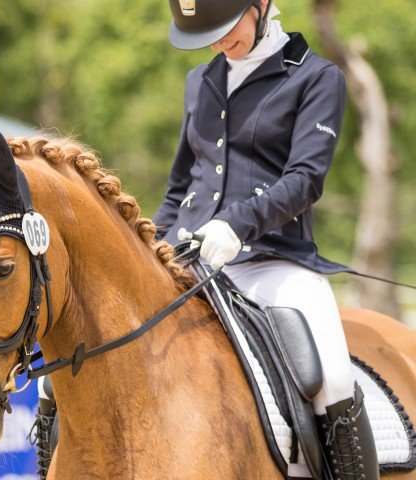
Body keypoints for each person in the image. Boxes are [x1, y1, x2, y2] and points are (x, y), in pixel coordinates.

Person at [153, 1, 379, 479]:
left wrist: (237, 225)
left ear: (262, 6)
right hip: (190, 260)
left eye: (225, 29)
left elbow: (305, 178)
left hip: (275, 261)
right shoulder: (201, 79)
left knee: (333, 377)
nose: (218, 45)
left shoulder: (316, 77)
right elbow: (180, 187)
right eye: (206, 37)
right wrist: (153, 246)